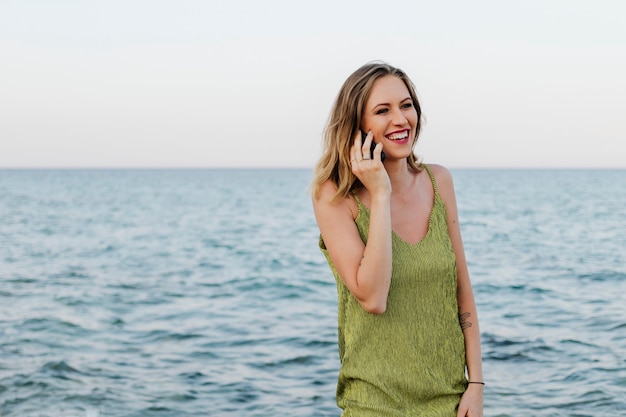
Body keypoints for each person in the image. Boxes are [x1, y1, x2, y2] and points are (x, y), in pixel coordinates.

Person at [310, 61, 484, 417]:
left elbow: (461, 289)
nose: (401, 119)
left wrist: (476, 385)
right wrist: (381, 194)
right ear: (357, 126)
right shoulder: (333, 197)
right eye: (382, 110)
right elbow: (373, 297)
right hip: (374, 405)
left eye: (406, 105)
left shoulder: (439, 182)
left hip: (450, 402)